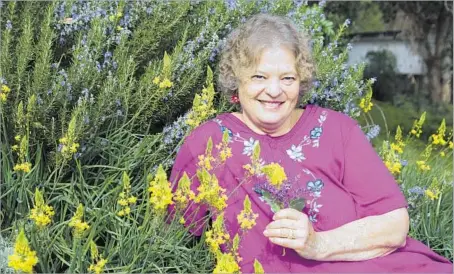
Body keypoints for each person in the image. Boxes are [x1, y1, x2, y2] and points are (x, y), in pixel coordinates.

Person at [169, 14, 453, 273]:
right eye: (259, 76)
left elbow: (395, 225)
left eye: (287, 78)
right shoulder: (207, 144)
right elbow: (172, 237)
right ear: (236, 81)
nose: (274, 90)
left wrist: (318, 243)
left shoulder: (338, 130)